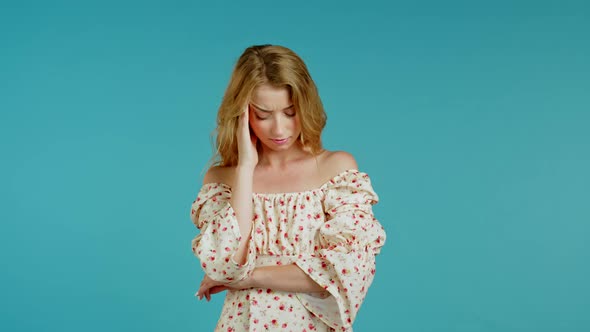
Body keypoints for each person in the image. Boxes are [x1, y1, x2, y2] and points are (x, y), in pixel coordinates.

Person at [190, 44, 386, 331]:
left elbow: (348, 268)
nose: (279, 130)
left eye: (290, 112)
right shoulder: (222, 180)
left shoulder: (336, 170)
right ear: (241, 114)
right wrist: (245, 168)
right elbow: (224, 267)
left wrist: (251, 276)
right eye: (263, 115)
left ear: (305, 105)